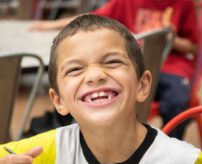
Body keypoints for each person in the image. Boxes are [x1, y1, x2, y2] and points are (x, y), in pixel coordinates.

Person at [0, 15, 201, 164]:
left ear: (142, 85)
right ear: (59, 101)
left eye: (112, 61)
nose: (94, 75)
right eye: (75, 69)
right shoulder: (56, 150)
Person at [29, 0, 199, 140]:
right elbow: (90, 20)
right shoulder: (126, 2)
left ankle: (168, 148)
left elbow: (194, 47)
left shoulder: (183, 3)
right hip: (129, 67)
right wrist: (51, 24)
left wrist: (172, 39)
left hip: (172, 68)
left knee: (177, 103)